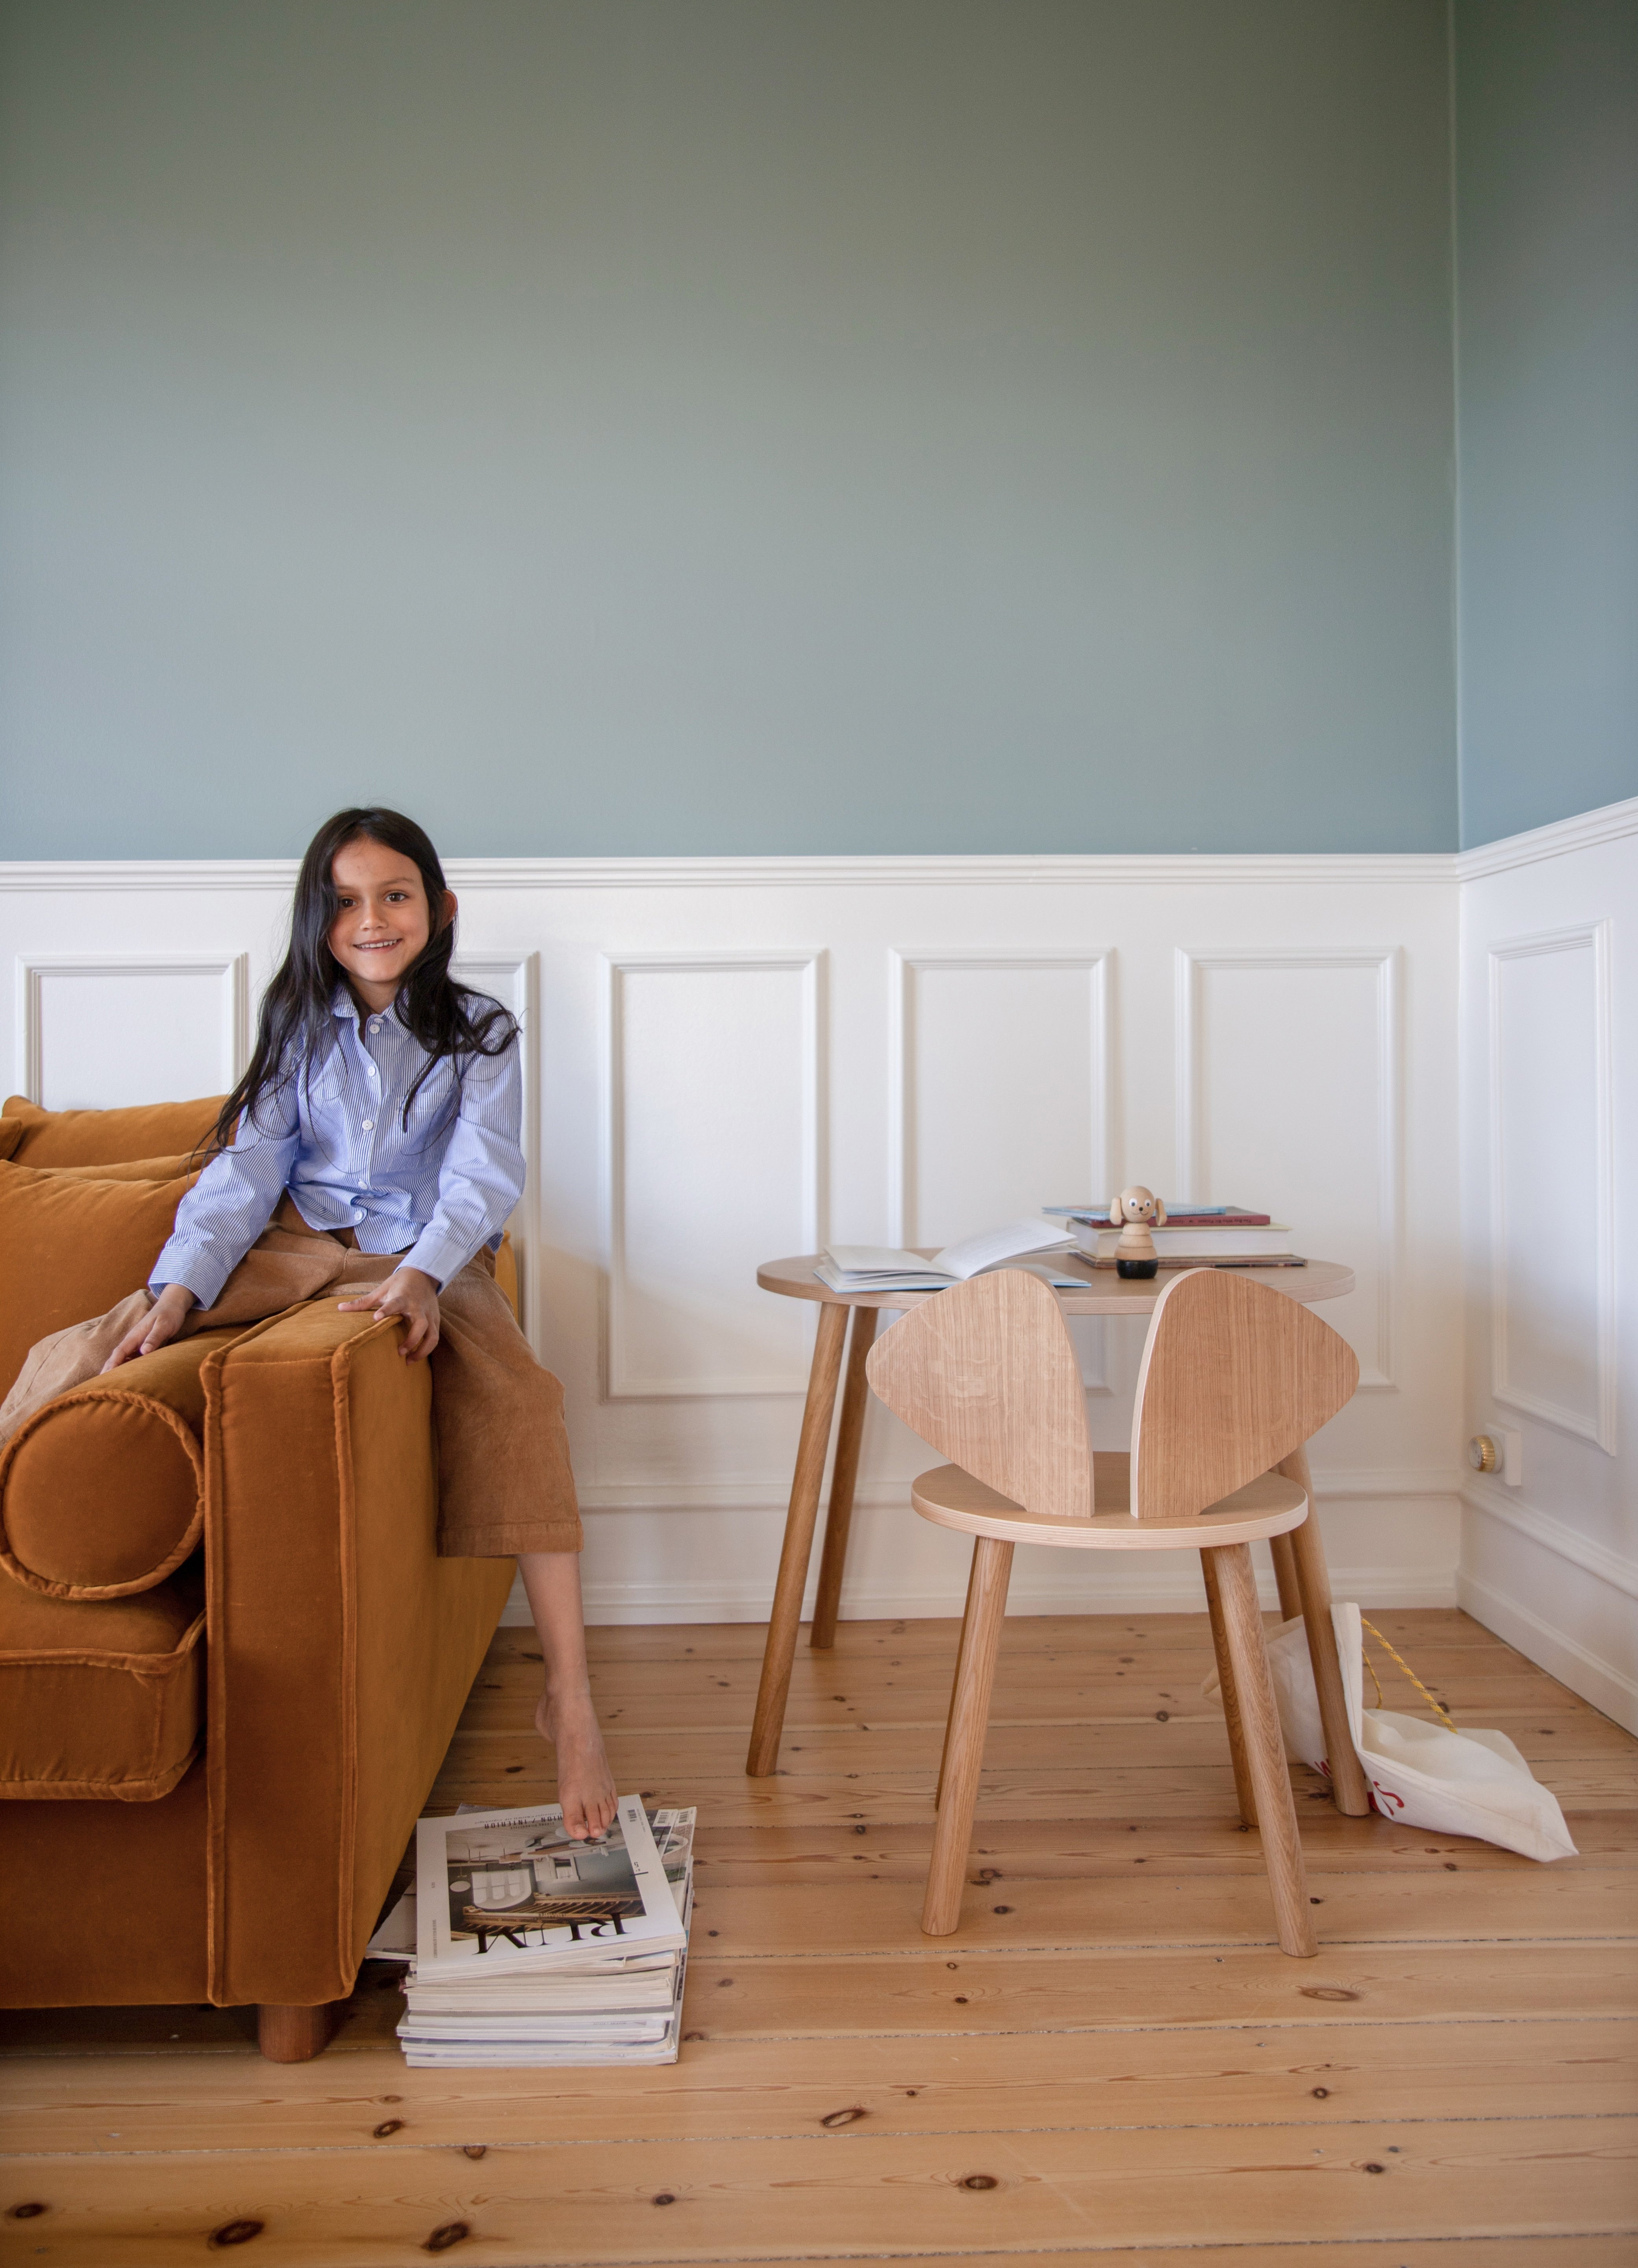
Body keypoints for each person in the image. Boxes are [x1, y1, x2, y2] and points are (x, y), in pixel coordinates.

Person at [7, 807, 615, 1838]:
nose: (371, 919)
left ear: (440, 908)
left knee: (525, 1403)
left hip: (423, 1251)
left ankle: (575, 1698)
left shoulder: (484, 1033)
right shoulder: (295, 1027)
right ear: (318, 920)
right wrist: (180, 1289)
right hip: (304, 1236)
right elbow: (249, 1171)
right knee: (103, 1335)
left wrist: (425, 1276)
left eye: (394, 895)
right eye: (345, 903)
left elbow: (483, 1176)